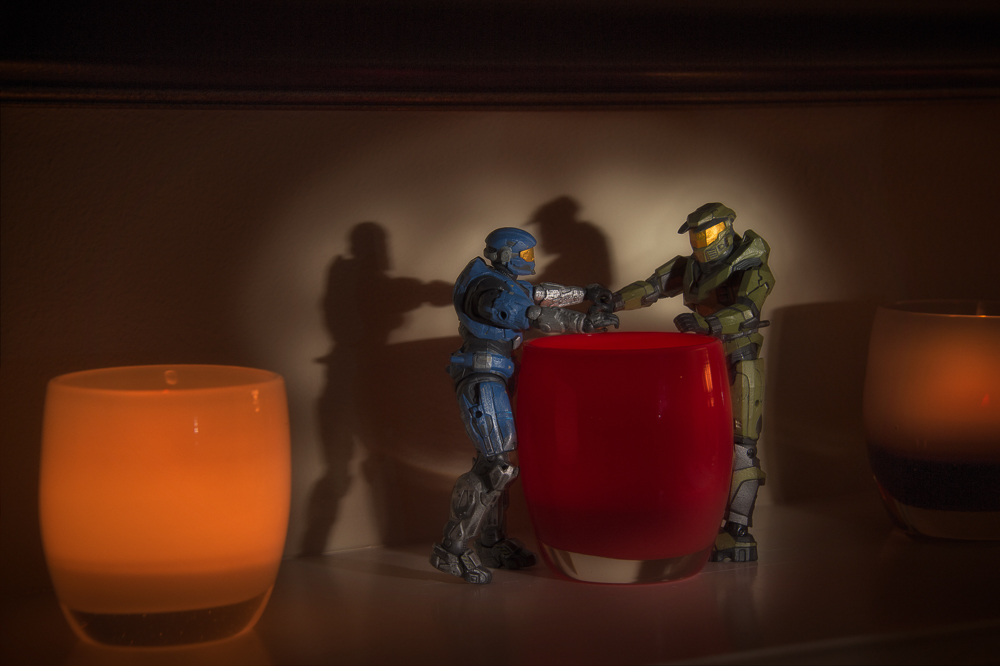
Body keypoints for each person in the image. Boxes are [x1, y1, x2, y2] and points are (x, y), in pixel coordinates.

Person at [430, 227, 617, 583]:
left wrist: (585, 293)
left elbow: (543, 294)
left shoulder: (504, 282)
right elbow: (524, 312)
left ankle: (491, 541)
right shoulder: (486, 289)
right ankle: (451, 549)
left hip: (498, 371)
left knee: (497, 463)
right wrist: (581, 322)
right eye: (525, 254)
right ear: (505, 254)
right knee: (497, 467)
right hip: (481, 373)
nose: (529, 260)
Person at [596, 203, 775, 562]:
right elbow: (652, 287)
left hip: (739, 357)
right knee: (695, 439)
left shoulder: (752, 266)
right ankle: (694, 518)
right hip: (704, 360)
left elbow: (747, 310)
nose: (701, 241)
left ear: (726, 229)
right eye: (696, 234)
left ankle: (738, 530)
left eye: (707, 233)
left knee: (742, 446)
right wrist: (612, 302)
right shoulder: (690, 266)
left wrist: (709, 324)